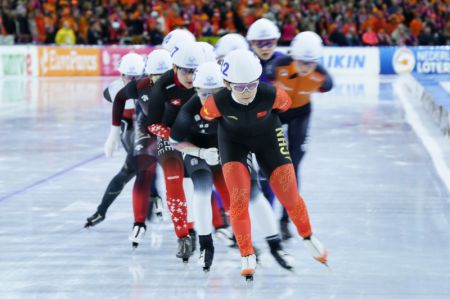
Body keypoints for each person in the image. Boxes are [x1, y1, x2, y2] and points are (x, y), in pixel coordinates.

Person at [201, 49, 328, 280]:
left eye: (251, 85)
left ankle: (308, 235)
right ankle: (247, 253)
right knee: (238, 200)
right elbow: (206, 117)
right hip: (233, 144)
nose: (247, 91)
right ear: (227, 84)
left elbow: (286, 107)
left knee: (289, 194)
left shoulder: (272, 94)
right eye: (240, 87)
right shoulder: (214, 103)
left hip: (269, 139)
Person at [102, 50, 172, 248]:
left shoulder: (184, 85)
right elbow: (118, 99)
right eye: (154, 76)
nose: (158, 81)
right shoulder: (137, 86)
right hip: (147, 127)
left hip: (172, 128)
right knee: (144, 169)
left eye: (163, 76)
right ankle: (139, 222)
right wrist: (114, 132)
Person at [144, 41, 205, 262]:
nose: (190, 77)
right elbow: (152, 124)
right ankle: (183, 236)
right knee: (173, 182)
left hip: (196, 137)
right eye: (185, 71)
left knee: (197, 186)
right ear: (175, 68)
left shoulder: (207, 82)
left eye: (195, 71)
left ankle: (199, 228)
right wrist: (172, 137)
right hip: (168, 139)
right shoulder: (163, 85)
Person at [265, 31, 333, 206]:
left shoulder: (323, 78)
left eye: (310, 64)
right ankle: (267, 198)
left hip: (300, 114)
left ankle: (289, 210)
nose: (305, 68)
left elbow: (327, 86)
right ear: (294, 57)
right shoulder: (278, 66)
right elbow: (267, 74)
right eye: (302, 62)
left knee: (294, 162)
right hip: (278, 112)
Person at [85, 52, 148, 228]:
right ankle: (102, 210)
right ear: (121, 75)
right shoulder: (113, 91)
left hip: (148, 130)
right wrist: (113, 136)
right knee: (131, 170)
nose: (134, 80)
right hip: (131, 132)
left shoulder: (149, 86)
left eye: (138, 76)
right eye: (130, 77)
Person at [246, 18, 292, 239]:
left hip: (274, 129)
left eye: (269, 42)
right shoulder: (244, 61)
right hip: (245, 129)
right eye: (259, 43)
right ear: (251, 43)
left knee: (270, 176)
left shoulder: (285, 62)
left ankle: (272, 219)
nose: (265, 48)